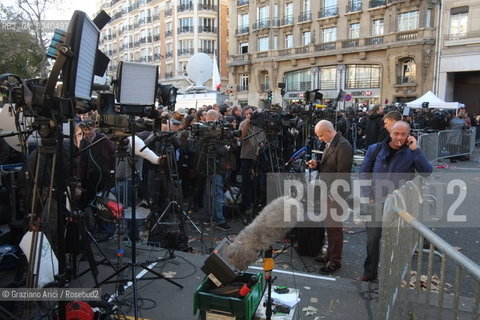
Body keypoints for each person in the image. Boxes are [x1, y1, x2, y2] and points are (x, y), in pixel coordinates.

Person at [357, 121, 432, 281]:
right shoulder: (375, 149)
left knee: (395, 240)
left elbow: (426, 172)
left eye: (403, 134)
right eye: (396, 133)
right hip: (375, 201)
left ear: (409, 135)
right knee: (372, 240)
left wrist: (416, 150)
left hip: (398, 205)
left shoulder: (412, 152)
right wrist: (367, 194)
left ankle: (391, 275)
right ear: (390, 132)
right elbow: (363, 172)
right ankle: (369, 273)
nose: (399, 137)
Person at [306, 120, 353, 274]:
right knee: (330, 226)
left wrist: (335, 195)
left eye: (320, 135)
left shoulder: (343, 146)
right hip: (328, 190)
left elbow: (343, 174)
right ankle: (330, 255)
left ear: (328, 131)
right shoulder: (332, 143)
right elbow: (330, 166)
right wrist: (317, 164)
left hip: (335, 193)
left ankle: (335, 261)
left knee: (334, 228)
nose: (320, 138)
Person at [238, 107, 266, 214]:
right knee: (246, 182)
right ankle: (247, 205)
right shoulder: (243, 123)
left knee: (259, 181)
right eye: (247, 114)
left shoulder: (261, 123)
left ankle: (257, 203)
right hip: (247, 155)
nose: (250, 115)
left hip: (260, 155)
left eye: (251, 113)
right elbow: (241, 136)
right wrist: (248, 122)